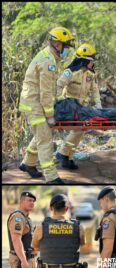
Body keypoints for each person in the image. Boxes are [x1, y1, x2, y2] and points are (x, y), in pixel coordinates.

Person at [18, 26, 75, 184]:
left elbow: (50, 89)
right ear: (57, 44)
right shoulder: (48, 61)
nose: (66, 50)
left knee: (40, 135)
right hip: (34, 104)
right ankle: (51, 177)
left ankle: (28, 164)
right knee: (45, 139)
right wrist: (50, 116)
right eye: (65, 46)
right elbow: (45, 92)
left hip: (33, 101)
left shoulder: (49, 57)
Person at [55, 43, 102, 170]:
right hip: (69, 108)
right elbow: (58, 86)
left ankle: (68, 158)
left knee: (80, 132)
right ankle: (62, 153)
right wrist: (60, 103)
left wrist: (98, 105)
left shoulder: (91, 74)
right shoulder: (70, 72)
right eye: (91, 61)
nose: (93, 63)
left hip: (81, 108)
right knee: (78, 130)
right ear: (84, 60)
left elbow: (95, 90)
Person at [31, 194, 86, 268]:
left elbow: (35, 247)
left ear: (51, 208)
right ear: (67, 209)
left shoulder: (40, 227)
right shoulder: (78, 227)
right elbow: (82, 244)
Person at [7, 191, 37, 268]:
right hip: (21, 259)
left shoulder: (26, 218)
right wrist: (23, 261)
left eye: (33, 201)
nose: (32, 203)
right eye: (29, 200)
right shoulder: (18, 217)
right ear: (22, 201)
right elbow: (16, 239)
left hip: (29, 258)